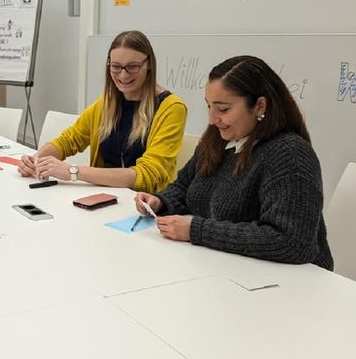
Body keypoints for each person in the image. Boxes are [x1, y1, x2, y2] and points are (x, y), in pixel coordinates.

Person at [134, 55, 333, 269]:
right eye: (209, 106)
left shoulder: (290, 155)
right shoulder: (218, 138)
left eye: (223, 109)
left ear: (259, 106)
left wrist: (196, 230)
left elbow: (291, 242)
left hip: (290, 284)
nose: (212, 119)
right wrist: (161, 201)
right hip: (224, 269)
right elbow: (185, 186)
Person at [19, 30, 187, 190]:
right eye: (116, 66)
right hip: (104, 198)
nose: (123, 75)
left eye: (132, 66)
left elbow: (148, 176)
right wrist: (36, 160)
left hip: (145, 205)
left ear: (149, 64)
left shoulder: (171, 108)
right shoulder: (107, 103)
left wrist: (73, 172)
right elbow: (69, 140)